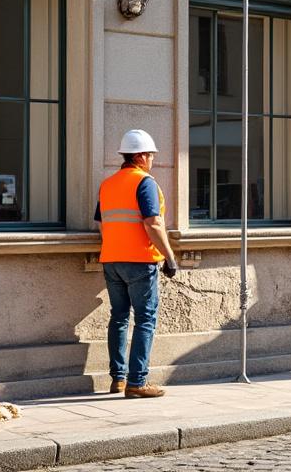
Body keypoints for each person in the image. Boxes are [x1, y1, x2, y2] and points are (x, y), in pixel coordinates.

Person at [96, 129, 178, 397]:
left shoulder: (108, 184)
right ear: (141, 156)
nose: (152, 160)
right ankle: (137, 382)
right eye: (151, 156)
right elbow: (153, 223)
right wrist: (169, 256)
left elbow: (102, 224)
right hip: (140, 260)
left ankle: (118, 379)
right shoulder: (144, 183)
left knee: (118, 317)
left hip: (111, 259)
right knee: (145, 319)